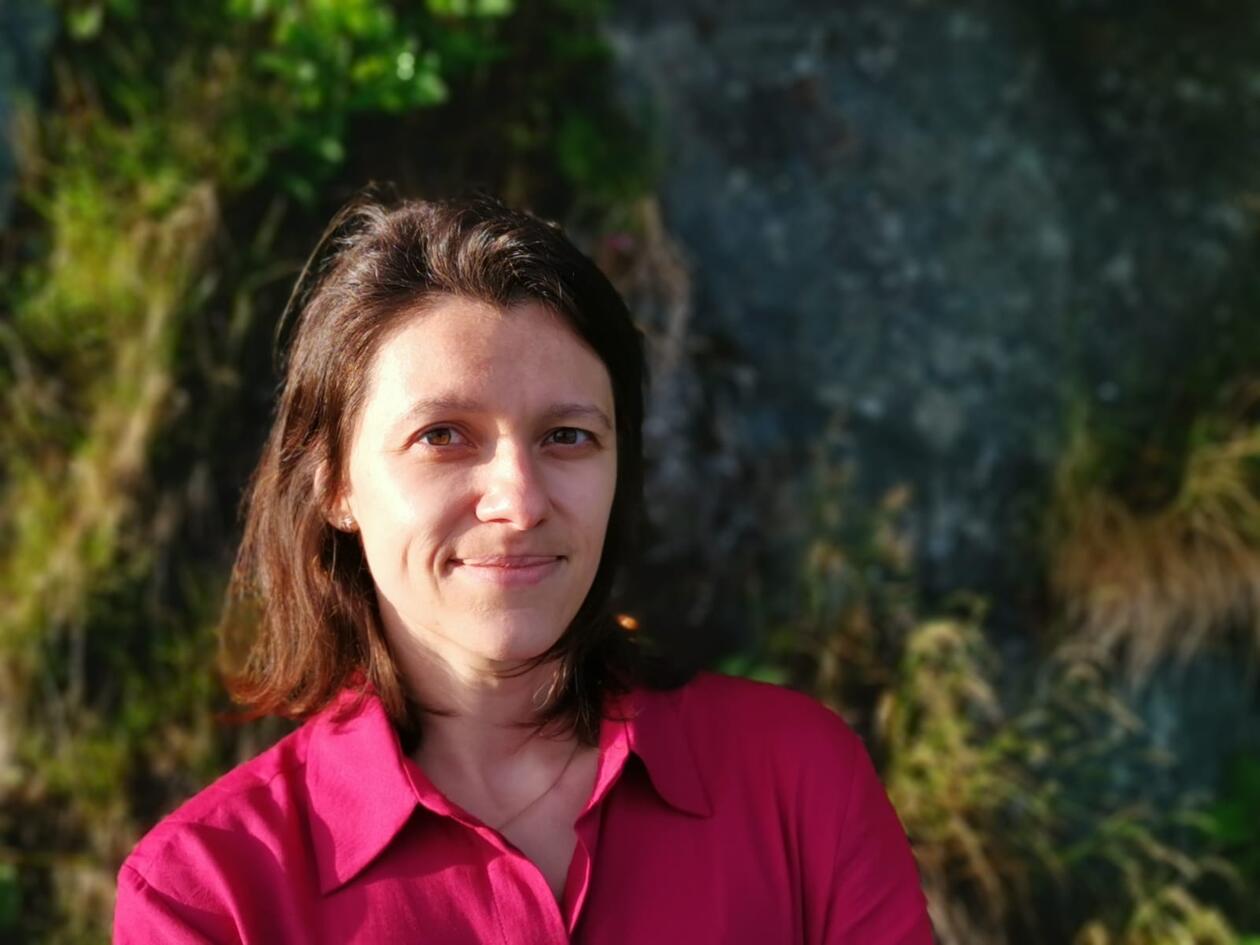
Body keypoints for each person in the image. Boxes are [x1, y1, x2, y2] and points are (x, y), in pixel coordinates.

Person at [113, 192, 934, 944]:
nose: (519, 499)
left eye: (567, 436)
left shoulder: (796, 779)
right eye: (443, 436)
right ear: (333, 479)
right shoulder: (207, 895)